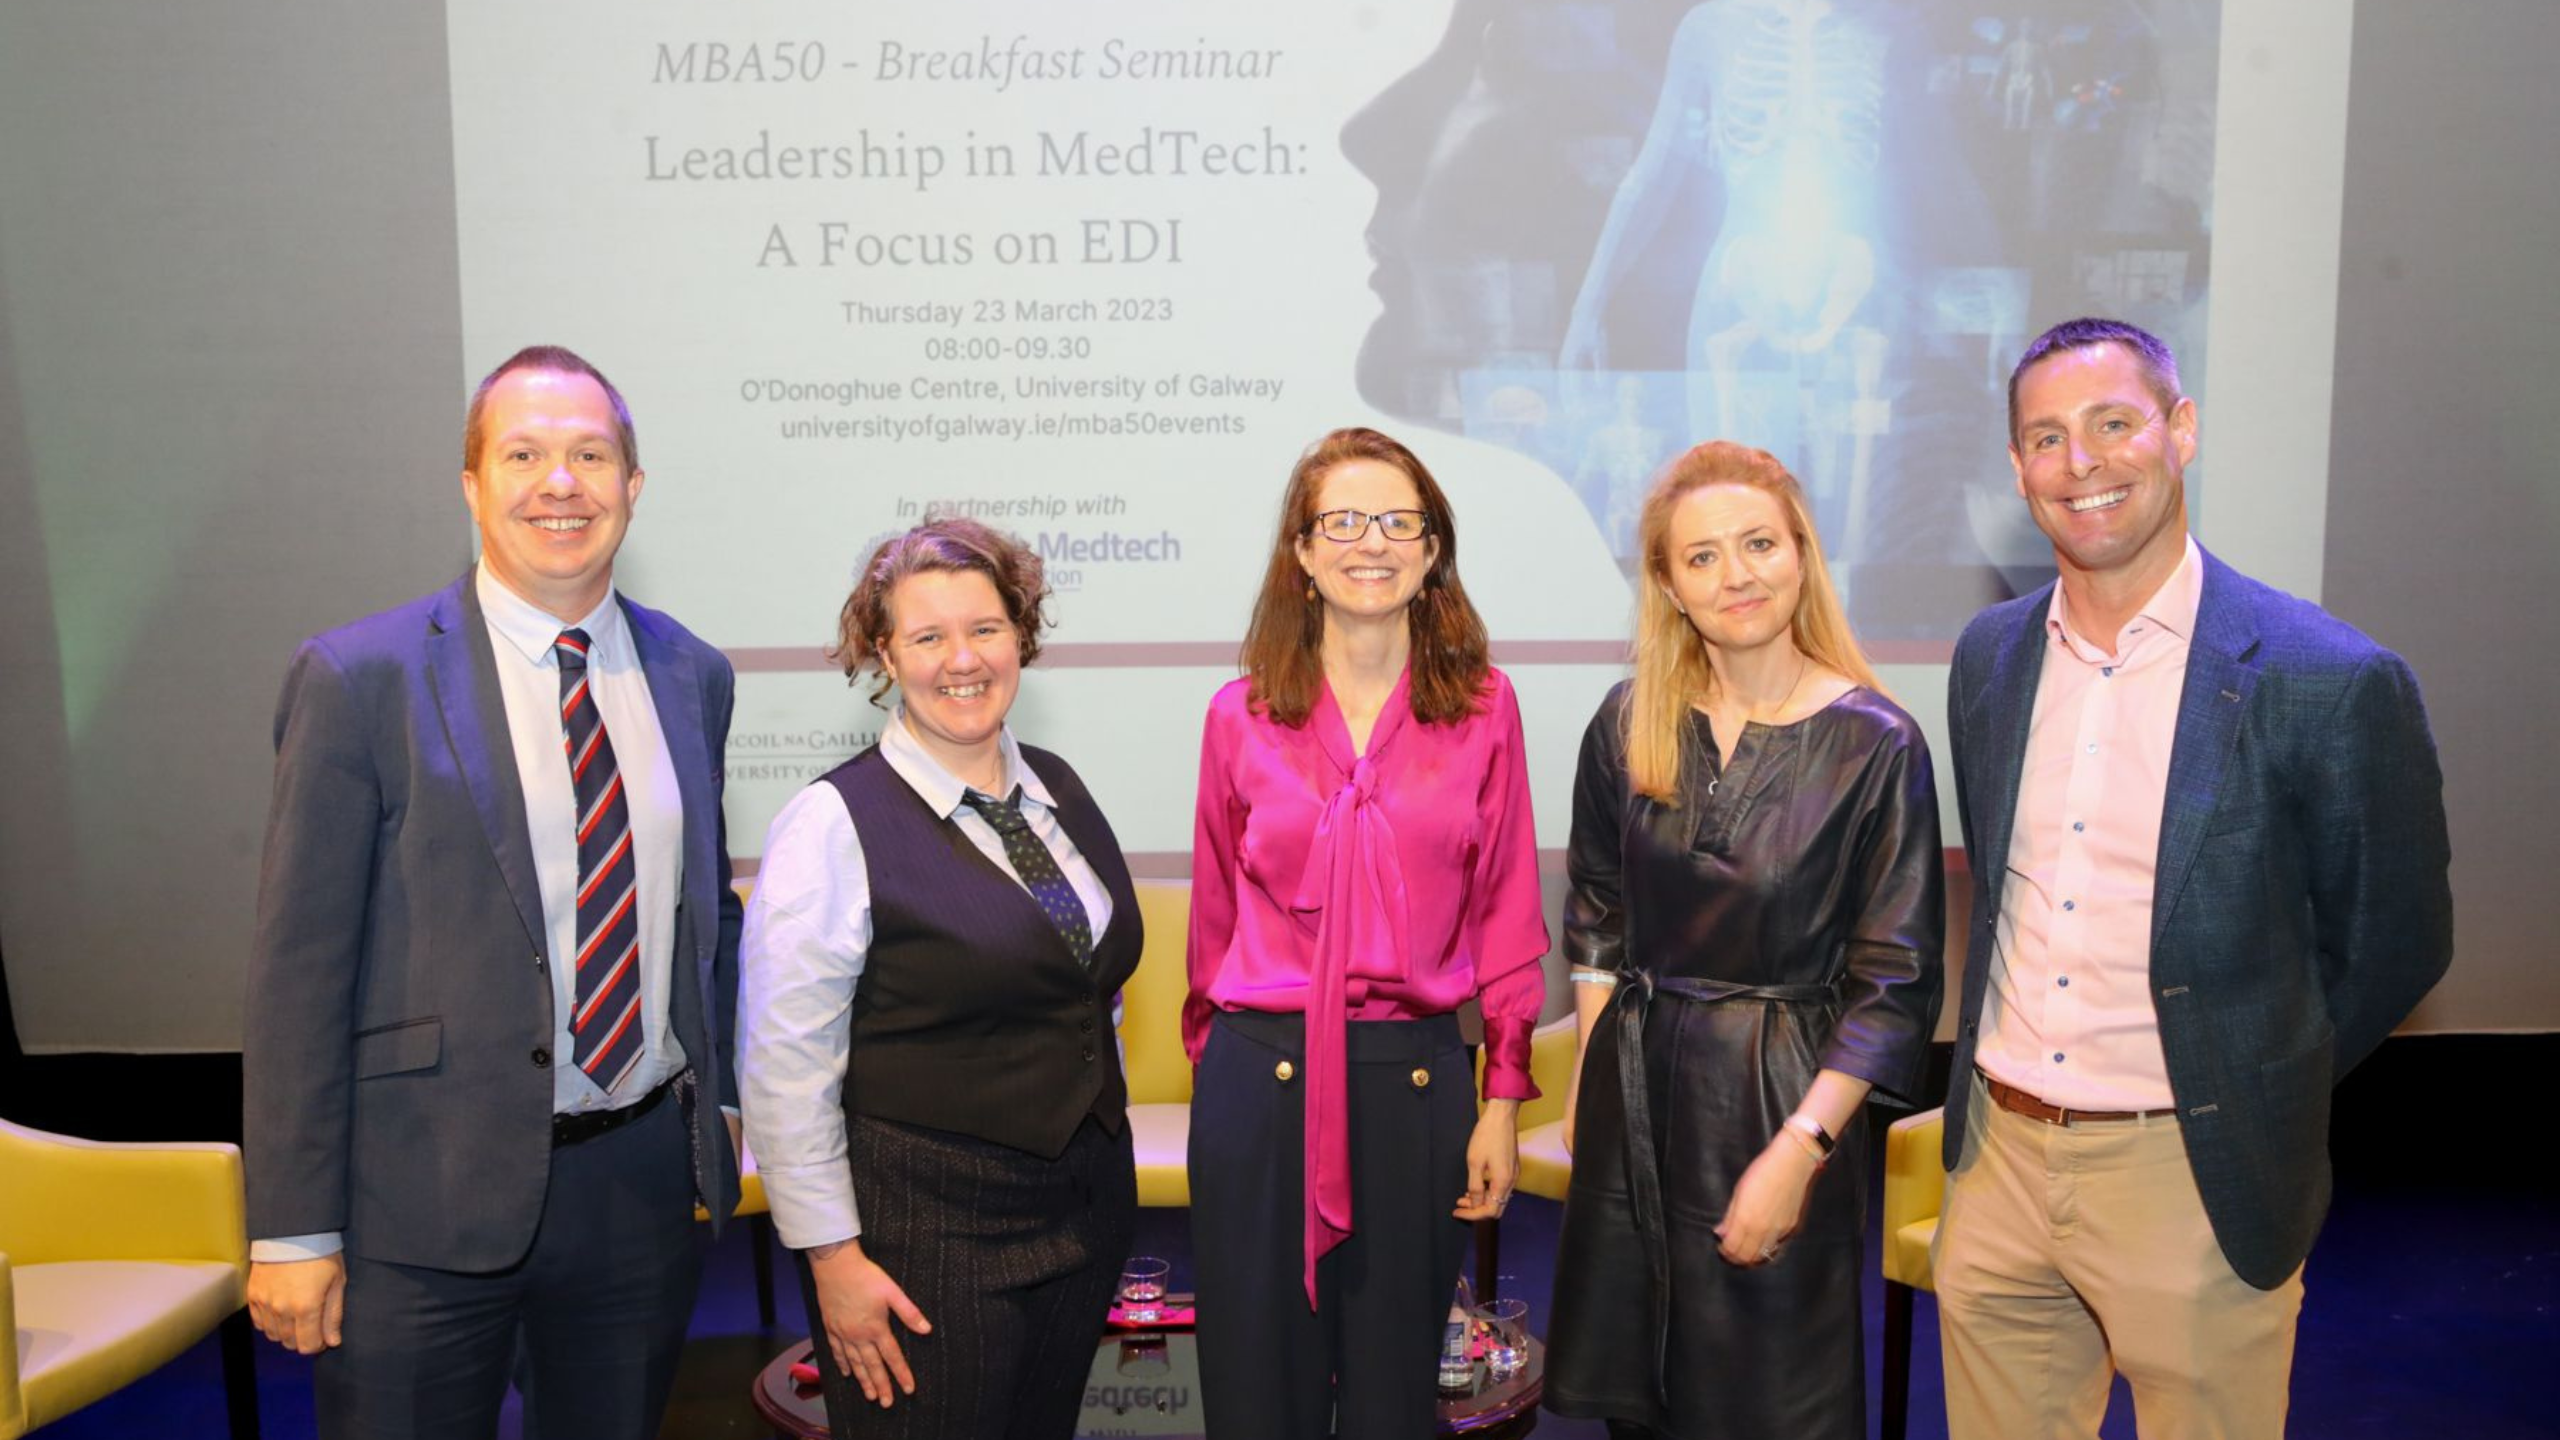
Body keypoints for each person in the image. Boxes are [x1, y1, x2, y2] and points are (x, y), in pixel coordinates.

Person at [1935, 317, 2453, 1436]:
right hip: (1998, 1164)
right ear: (2018, 468)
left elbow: (2397, 940)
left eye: (2113, 423)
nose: (2080, 462)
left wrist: (2248, 1075)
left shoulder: (2329, 677)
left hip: (2192, 1172)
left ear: (2181, 430)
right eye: (2046, 438)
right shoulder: (1989, 657)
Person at [241, 345, 743, 1440]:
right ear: (471, 485)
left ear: (633, 486)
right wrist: (292, 1228)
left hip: (635, 1192)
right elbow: (298, 974)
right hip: (416, 1202)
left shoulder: (692, 673)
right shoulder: (361, 677)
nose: (561, 484)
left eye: (590, 456)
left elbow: (705, 915)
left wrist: (723, 1110)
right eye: (523, 456)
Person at [1543, 441, 1944, 1438]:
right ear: (1669, 587)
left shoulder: (1877, 743)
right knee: (1639, 1398)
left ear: (1801, 554)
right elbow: (1598, 909)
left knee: (1770, 1401)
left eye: (1759, 543)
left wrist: (1800, 1151)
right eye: (1702, 556)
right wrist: (1592, 1068)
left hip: (1780, 1101)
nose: (1736, 575)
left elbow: (1893, 981)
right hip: (1635, 1093)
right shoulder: (1627, 721)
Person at [739, 517, 1141, 1440]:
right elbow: (786, 1066)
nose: (963, 660)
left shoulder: (1058, 789)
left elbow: (1087, 989)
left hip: (1085, 1207)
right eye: (928, 637)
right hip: (923, 1232)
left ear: (1020, 636)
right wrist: (832, 1259)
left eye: (985, 628)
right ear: (885, 654)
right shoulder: (831, 823)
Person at [1185, 427, 1549, 1440]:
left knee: (1395, 1399)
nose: (1371, 542)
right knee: (1257, 1398)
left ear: (1432, 551)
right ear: (1302, 553)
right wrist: (1217, 1084)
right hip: (1259, 1085)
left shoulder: (1484, 709)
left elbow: (1507, 910)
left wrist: (1502, 1101)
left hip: (1415, 1083)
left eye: (1398, 521)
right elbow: (1213, 920)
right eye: (1341, 522)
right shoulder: (1238, 715)